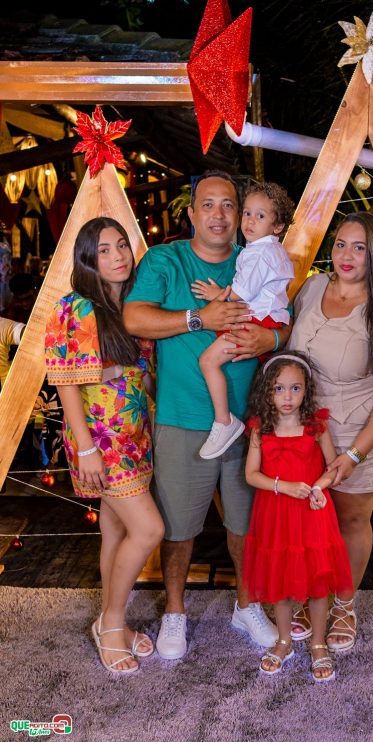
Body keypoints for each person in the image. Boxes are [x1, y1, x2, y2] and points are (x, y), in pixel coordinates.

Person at [123, 170, 292, 660]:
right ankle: (175, 610)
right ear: (192, 213)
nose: (219, 214)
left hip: (251, 423)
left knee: (246, 526)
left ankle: (247, 605)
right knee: (178, 528)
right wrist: (200, 317)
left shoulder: (255, 255)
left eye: (229, 205)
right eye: (209, 204)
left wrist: (270, 338)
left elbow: (285, 319)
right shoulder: (166, 259)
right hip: (181, 419)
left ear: (241, 215)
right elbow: (135, 317)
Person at [287, 211, 373, 651]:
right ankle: (309, 596)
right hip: (302, 430)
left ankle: (344, 603)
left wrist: (354, 455)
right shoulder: (311, 288)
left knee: (350, 520)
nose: (347, 255)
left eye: (360, 248)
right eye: (341, 244)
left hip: (359, 433)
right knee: (305, 519)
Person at [45, 217, 165, 674]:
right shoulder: (75, 307)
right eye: (104, 250)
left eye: (122, 246)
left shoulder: (133, 303)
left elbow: (142, 372)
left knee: (115, 531)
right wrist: (86, 447)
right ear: (87, 260)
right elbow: (66, 383)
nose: (117, 256)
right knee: (148, 530)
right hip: (100, 438)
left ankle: (111, 621)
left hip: (135, 434)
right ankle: (112, 624)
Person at [243, 351, 353, 681]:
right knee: (279, 580)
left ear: (306, 389)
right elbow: (251, 475)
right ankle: (284, 640)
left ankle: (318, 643)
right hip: (275, 513)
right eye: (279, 389)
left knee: (317, 581)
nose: (287, 397)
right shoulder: (260, 429)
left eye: (295, 388)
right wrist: (283, 486)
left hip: (311, 512)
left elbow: (332, 468)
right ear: (267, 391)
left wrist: (318, 486)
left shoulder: (316, 426)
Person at [191, 182, 295, 459]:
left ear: (277, 226)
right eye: (247, 213)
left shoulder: (259, 253)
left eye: (260, 216)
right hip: (268, 319)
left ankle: (224, 421)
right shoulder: (273, 250)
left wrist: (216, 294)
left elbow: (242, 292)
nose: (250, 221)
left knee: (208, 361)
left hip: (258, 322)